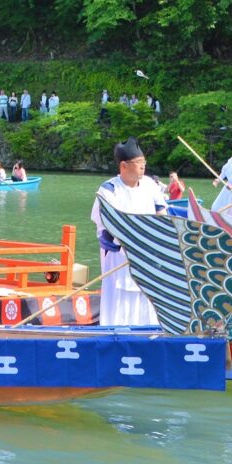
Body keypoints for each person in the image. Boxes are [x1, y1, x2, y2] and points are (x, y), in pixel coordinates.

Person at [91, 137, 165, 326]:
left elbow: (162, 213)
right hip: (121, 254)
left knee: (146, 293)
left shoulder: (150, 185)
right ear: (124, 165)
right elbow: (104, 225)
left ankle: (149, 330)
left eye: (143, 162)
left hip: (148, 252)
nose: (142, 167)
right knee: (121, 295)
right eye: (138, 163)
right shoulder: (109, 190)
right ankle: (116, 331)